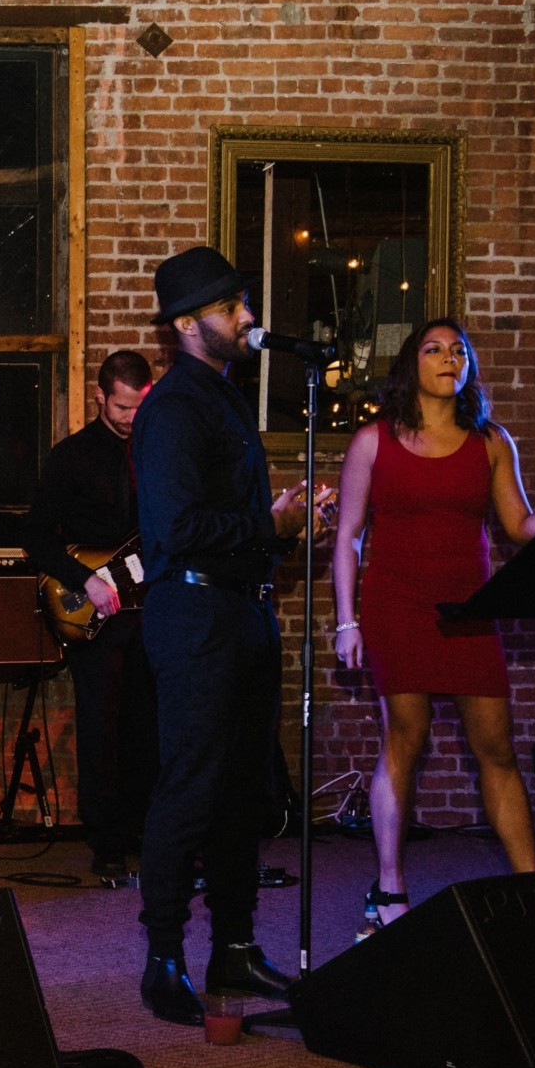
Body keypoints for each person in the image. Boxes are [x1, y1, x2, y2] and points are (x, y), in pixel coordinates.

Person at [330, 317, 535, 930]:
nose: (448, 358)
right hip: (396, 605)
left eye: (458, 351)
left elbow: (520, 529)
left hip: (469, 610)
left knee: (497, 747)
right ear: (411, 365)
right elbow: (349, 536)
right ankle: (389, 885)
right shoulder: (373, 440)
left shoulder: (490, 441)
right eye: (433, 349)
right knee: (404, 739)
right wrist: (346, 621)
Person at [131, 246, 332, 1026]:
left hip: (240, 613)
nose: (247, 316)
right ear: (188, 326)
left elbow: (228, 523)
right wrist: (268, 521)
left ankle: (236, 948)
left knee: (244, 790)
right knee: (191, 785)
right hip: (195, 618)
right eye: (231, 307)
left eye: (243, 302)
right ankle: (163, 959)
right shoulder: (175, 407)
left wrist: (278, 524)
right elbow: (174, 530)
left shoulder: (219, 399)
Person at [21, 350, 157, 884]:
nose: (132, 417)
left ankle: (148, 834)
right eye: (123, 407)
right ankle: (106, 844)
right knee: (101, 727)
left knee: (149, 725)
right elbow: (35, 537)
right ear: (101, 396)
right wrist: (85, 580)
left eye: (140, 406)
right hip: (96, 610)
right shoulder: (71, 457)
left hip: (151, 607)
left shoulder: (157, 453)